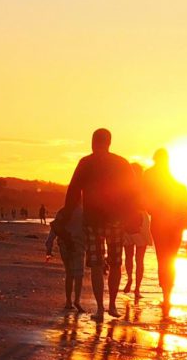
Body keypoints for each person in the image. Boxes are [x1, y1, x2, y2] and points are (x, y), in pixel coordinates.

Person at [59, 128, 140, 317]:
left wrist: (67, 215)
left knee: (96, 264)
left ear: (93, 142)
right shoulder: (121, 163)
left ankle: (100, 309)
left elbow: (73, 191)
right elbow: (133, 192)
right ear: (109, 142)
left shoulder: (86, 163)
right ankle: (111, 305)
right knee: (115, 263)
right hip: (115, 221)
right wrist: (132, 215)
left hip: (93, 221)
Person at [144, 148, 187, 317]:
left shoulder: (153, 177)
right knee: (169, 260)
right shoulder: (177, 185)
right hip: (174, 225)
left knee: (164, 259)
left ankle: (166, 294)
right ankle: (167, 295)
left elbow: (145, 201)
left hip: (162, 224)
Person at [46, 198, 88, 315]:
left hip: (64, 245)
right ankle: (77, 300)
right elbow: (87, 230)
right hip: (78, 245)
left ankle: (68, 301)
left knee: (69, 273)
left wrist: (49, 246)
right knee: (79, 275)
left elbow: (54, 230)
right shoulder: (83, 212)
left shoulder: (63, 211)